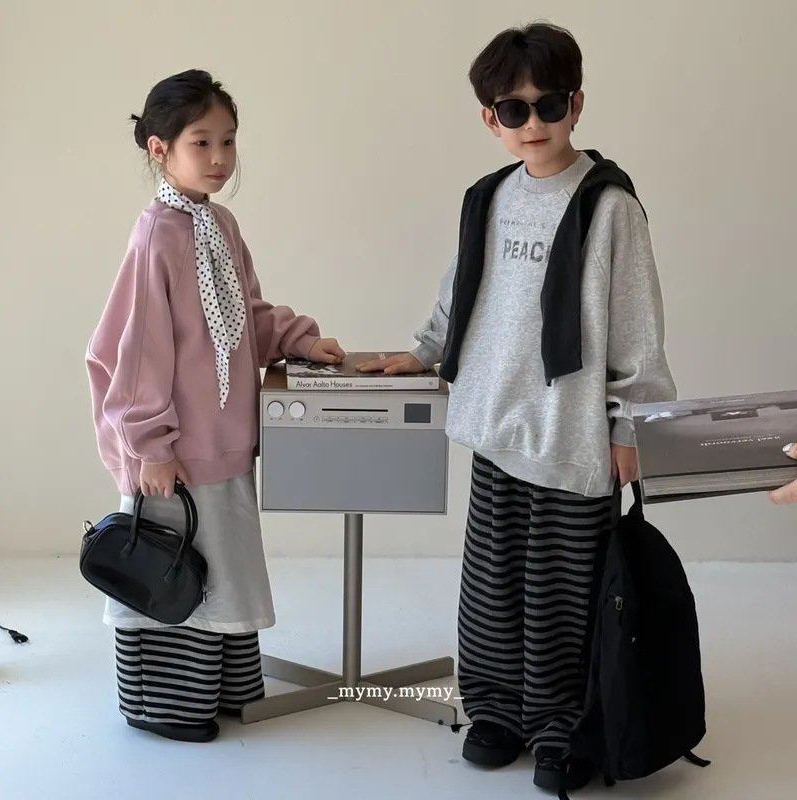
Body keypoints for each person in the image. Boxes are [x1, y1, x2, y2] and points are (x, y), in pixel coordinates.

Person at [358, 22, 676, 795]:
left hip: (570, 435)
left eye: (550, 105)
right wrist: (426, 351)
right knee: (493, 588)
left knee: (565, 593)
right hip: (496, 422)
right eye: (513, 110)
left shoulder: (609, 207)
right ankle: (498, 711)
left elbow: (637, 326)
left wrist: (629, 425)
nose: (533, 123)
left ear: (577, 105)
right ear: (489, 117)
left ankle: (564, 727)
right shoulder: (489, 198)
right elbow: (462, 291)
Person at [85, 69, 344, 744]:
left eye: (228, 140)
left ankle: (222, 690)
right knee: (168, 571)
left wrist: (300, 340)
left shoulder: (218, 224)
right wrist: (150, 446)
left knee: (218, 569)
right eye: (202, 142)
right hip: (172, 453)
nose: (221, 156)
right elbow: (137, 350)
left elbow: (244, 315)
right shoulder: (156, 236)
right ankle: (164, 706)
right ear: (160, 149)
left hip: (223, 441)